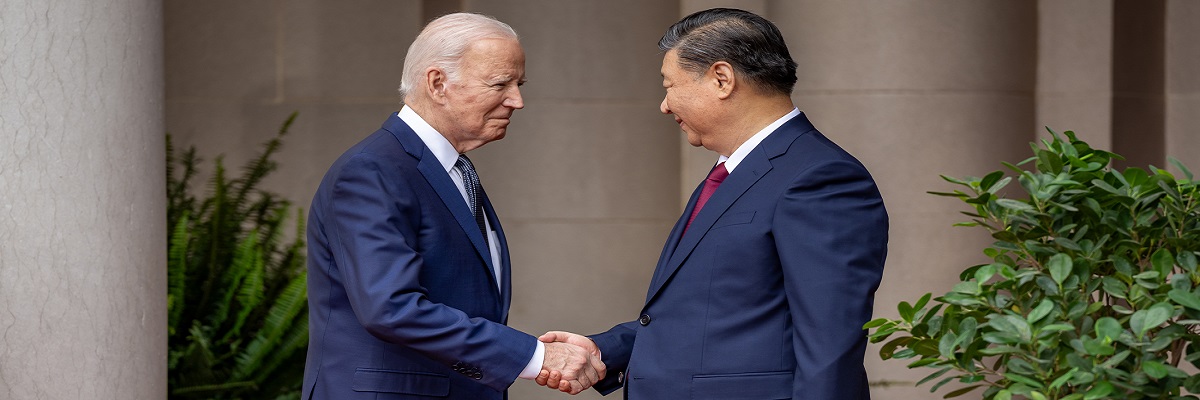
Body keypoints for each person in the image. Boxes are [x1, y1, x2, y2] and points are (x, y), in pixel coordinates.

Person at [537, 8, 888, 399]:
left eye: (670, 86)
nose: (664, 105)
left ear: (722, 79)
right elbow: (714, 314)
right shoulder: (733, 173)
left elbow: (830, 346)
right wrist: (607, 349)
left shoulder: (820, 178)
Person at [303, 12, 604, 400]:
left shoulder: (451, 168)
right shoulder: (372, 170)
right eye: (500, 84)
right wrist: (536, 355)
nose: (517, 100)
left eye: (519, 84)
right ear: (437, 83)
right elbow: (391, 308)